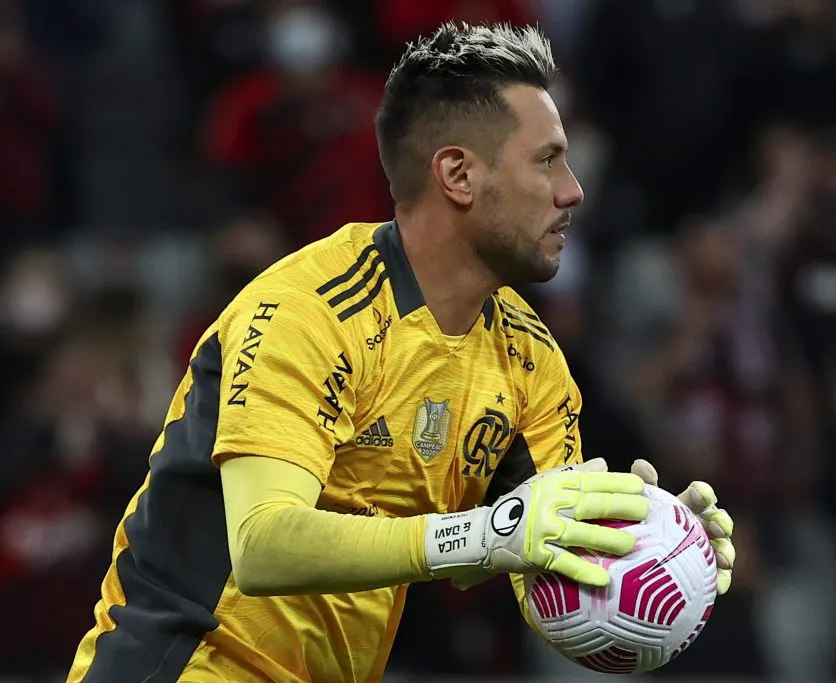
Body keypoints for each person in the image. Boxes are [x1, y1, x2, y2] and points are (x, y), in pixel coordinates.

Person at [66, 23, 736, 683]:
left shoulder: (531, 361)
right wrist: (487, 534)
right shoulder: (309, 310)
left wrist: (642, 547)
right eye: (546, 160)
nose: (572, 191)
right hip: (185, 665)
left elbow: (534, 567)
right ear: (458, 175)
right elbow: (264, 543)